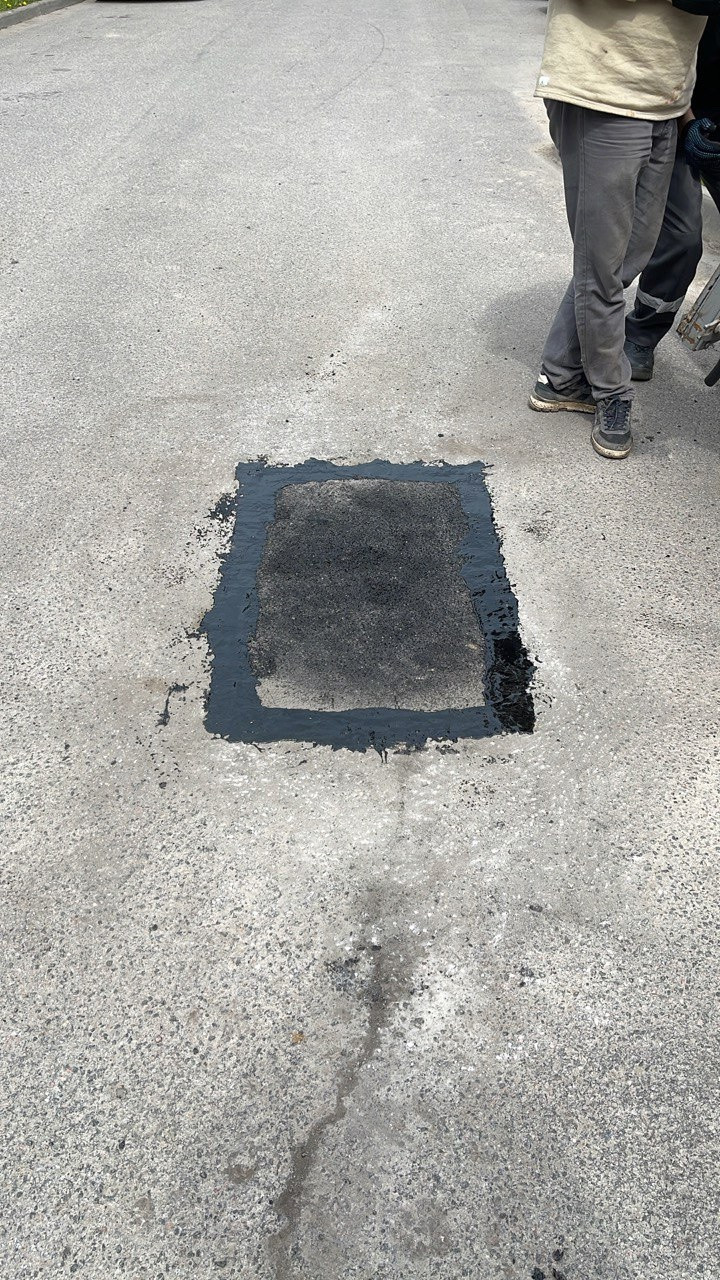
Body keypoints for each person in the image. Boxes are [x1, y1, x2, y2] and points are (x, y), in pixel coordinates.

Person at [529, 0, 709, 460]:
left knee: (627, 256)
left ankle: (558, 377)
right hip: (603, 95)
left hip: (665, 103)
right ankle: (612, 392)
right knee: (602, 267)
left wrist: (687, 113)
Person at [625, 15, 720, 380]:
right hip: (682, 121)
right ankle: (641, 335)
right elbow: (664, 59)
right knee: (682, 239)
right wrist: (688, 123)